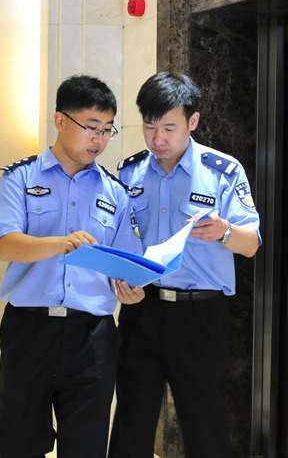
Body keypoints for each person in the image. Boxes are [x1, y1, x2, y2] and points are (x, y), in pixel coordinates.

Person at [0, 75, 144, 458]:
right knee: (20, 444)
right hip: (29, 329)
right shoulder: (20, 178)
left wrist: (132, 290)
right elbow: (4, 244)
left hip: (93, 336)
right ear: (60, 120)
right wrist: (60, 243)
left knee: (86, 446)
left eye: (107, 130)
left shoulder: (115, 193)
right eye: (91, 127)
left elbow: (127, 263)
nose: (99, 139)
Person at [108, 72, 261, 458]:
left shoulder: (222, 171)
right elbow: (118, 241)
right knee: (131, 420)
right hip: (142, 311)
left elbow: (251, 244)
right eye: (149, 126)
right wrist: (120, 281)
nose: (157, 139)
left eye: (169, 128)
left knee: (204, 422)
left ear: (192, 121)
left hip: (199, 316)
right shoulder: (130, 172)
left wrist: (225, 231)